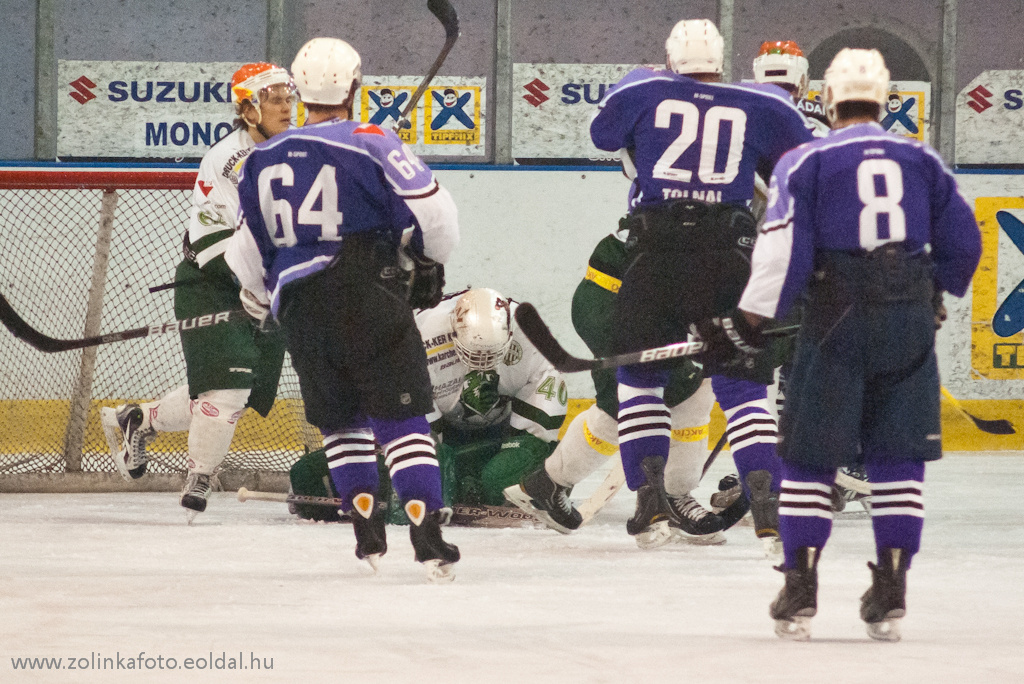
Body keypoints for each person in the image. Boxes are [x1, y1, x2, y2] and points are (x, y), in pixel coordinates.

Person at [692, 48, 981, 641]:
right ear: (883, 101)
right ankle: (893, 585)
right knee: (897, 464)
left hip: (835, 320)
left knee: (808, 462)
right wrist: (935, 291)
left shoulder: (806, 158)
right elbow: (966, 241)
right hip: (908, 323)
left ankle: (800, 586)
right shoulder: (922, 158)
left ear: (829, 98)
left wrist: (746, 324)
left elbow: (782, 251)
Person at [224, 37, 461, 580]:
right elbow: (437, 217)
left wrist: (260, 299)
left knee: (342, 425)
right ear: (355, 86)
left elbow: (246, 252)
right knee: (402, 421)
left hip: (301, 309)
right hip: (367, 291)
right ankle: (426, 537)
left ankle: (366, 534)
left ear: (301, 91)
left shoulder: (259, 158)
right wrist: (427, 262)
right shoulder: (373, 139)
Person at [587, 19, 814, 552]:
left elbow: (602, 136)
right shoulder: (761, 101)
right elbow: (801, 162)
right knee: (744, 391)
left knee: (640, 386)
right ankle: (767, 506)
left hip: (655, 256)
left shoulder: (642, 88)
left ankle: (649, 506)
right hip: (728, 257)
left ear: (671, 58)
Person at [101, 62, 297, 520]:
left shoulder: (300, 148)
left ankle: (139, 419)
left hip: (269, 286)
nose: (287, 106)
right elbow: (211, 238)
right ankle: (200, 479)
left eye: (290, 97)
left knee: (240, 393)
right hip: (212, 284)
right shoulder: (227, 158)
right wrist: (250, 287)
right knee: (227, 389)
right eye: (274, 99)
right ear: (249, 110)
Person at [505, 222, 730, 547]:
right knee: (676, 394)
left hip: (653, 298)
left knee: (643, 402)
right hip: (615, 299)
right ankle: (668, 499)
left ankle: (548, 484)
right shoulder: (728, 210)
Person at [289, 287, 569, 517]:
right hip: (443, 434)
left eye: (491, 353)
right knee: (307, 475)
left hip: (502, 435)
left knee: (500, 477)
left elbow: (537, 426)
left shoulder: (532, 339)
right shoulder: (422, 335)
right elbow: (416, 430)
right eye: (474, 352)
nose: (482, 361)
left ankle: (543, 480)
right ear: (452, 330)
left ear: (510, 335)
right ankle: (461, 479)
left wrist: (522, 453)